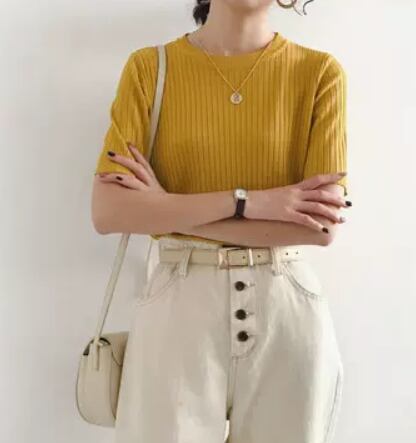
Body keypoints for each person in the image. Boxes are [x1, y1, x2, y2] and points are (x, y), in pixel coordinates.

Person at [91, 1, 352, 442]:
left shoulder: (319, 73)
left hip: (286, 309)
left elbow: (318, 228)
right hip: (177, 305)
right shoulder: (150, 69)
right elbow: (109, 212)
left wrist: (165, 209)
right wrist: (249, 203)